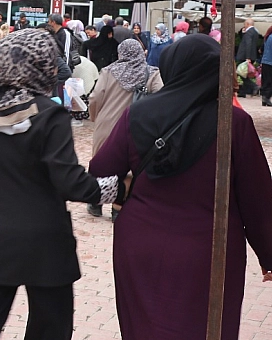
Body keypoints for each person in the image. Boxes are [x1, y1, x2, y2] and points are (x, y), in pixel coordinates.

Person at [0, 29, 130, 340]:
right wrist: (118, 188)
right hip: (43, 241)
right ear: (42, 63)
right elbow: (69, 181)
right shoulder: (48, 114)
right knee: (50, 327)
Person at [89, 35, 272, 340]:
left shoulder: (139, 113)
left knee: (145, 328)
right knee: (205, 327)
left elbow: (100, 170)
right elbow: (259, 199)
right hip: (209, 247)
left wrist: (130, 189)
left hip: (140, 244)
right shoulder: (233, 123)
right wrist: (268, 255)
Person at [86, 40, 163, 220]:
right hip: (137, 128)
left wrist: (95, 117)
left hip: (107, 125)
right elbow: (161, 96)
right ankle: (118, 208)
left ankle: (96, 204)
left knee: (101, 164)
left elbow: (96, 97)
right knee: (128, 168)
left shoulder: (108, 71)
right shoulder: (152, 73)